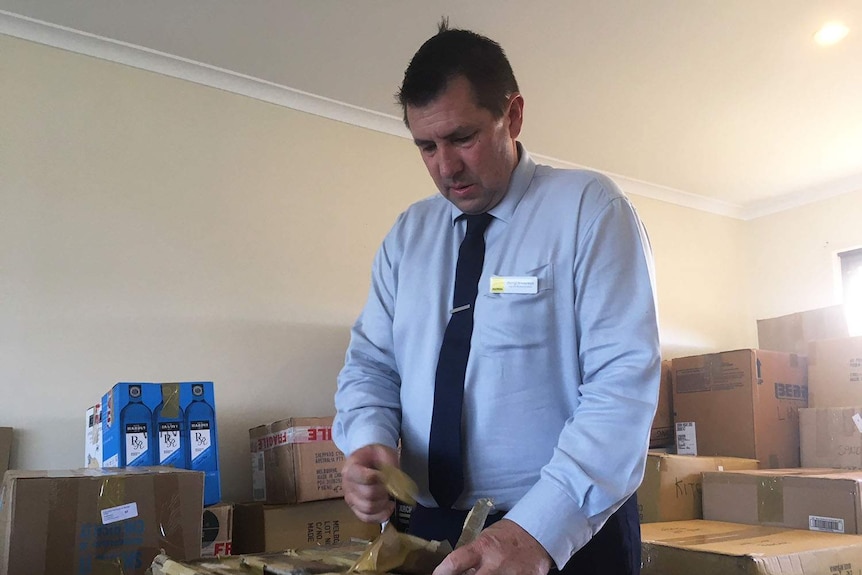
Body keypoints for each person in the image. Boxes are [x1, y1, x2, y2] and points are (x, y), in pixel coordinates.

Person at [334, 20, 660, 575]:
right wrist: (367, 440)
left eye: (462, 138)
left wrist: (536, 530)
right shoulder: (407, 236)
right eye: (426, 146)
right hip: (428, 532)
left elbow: (621, 387)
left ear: (513, 116)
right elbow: (371, 364)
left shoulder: (588, 209)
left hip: (562, 535)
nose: (445, 166)